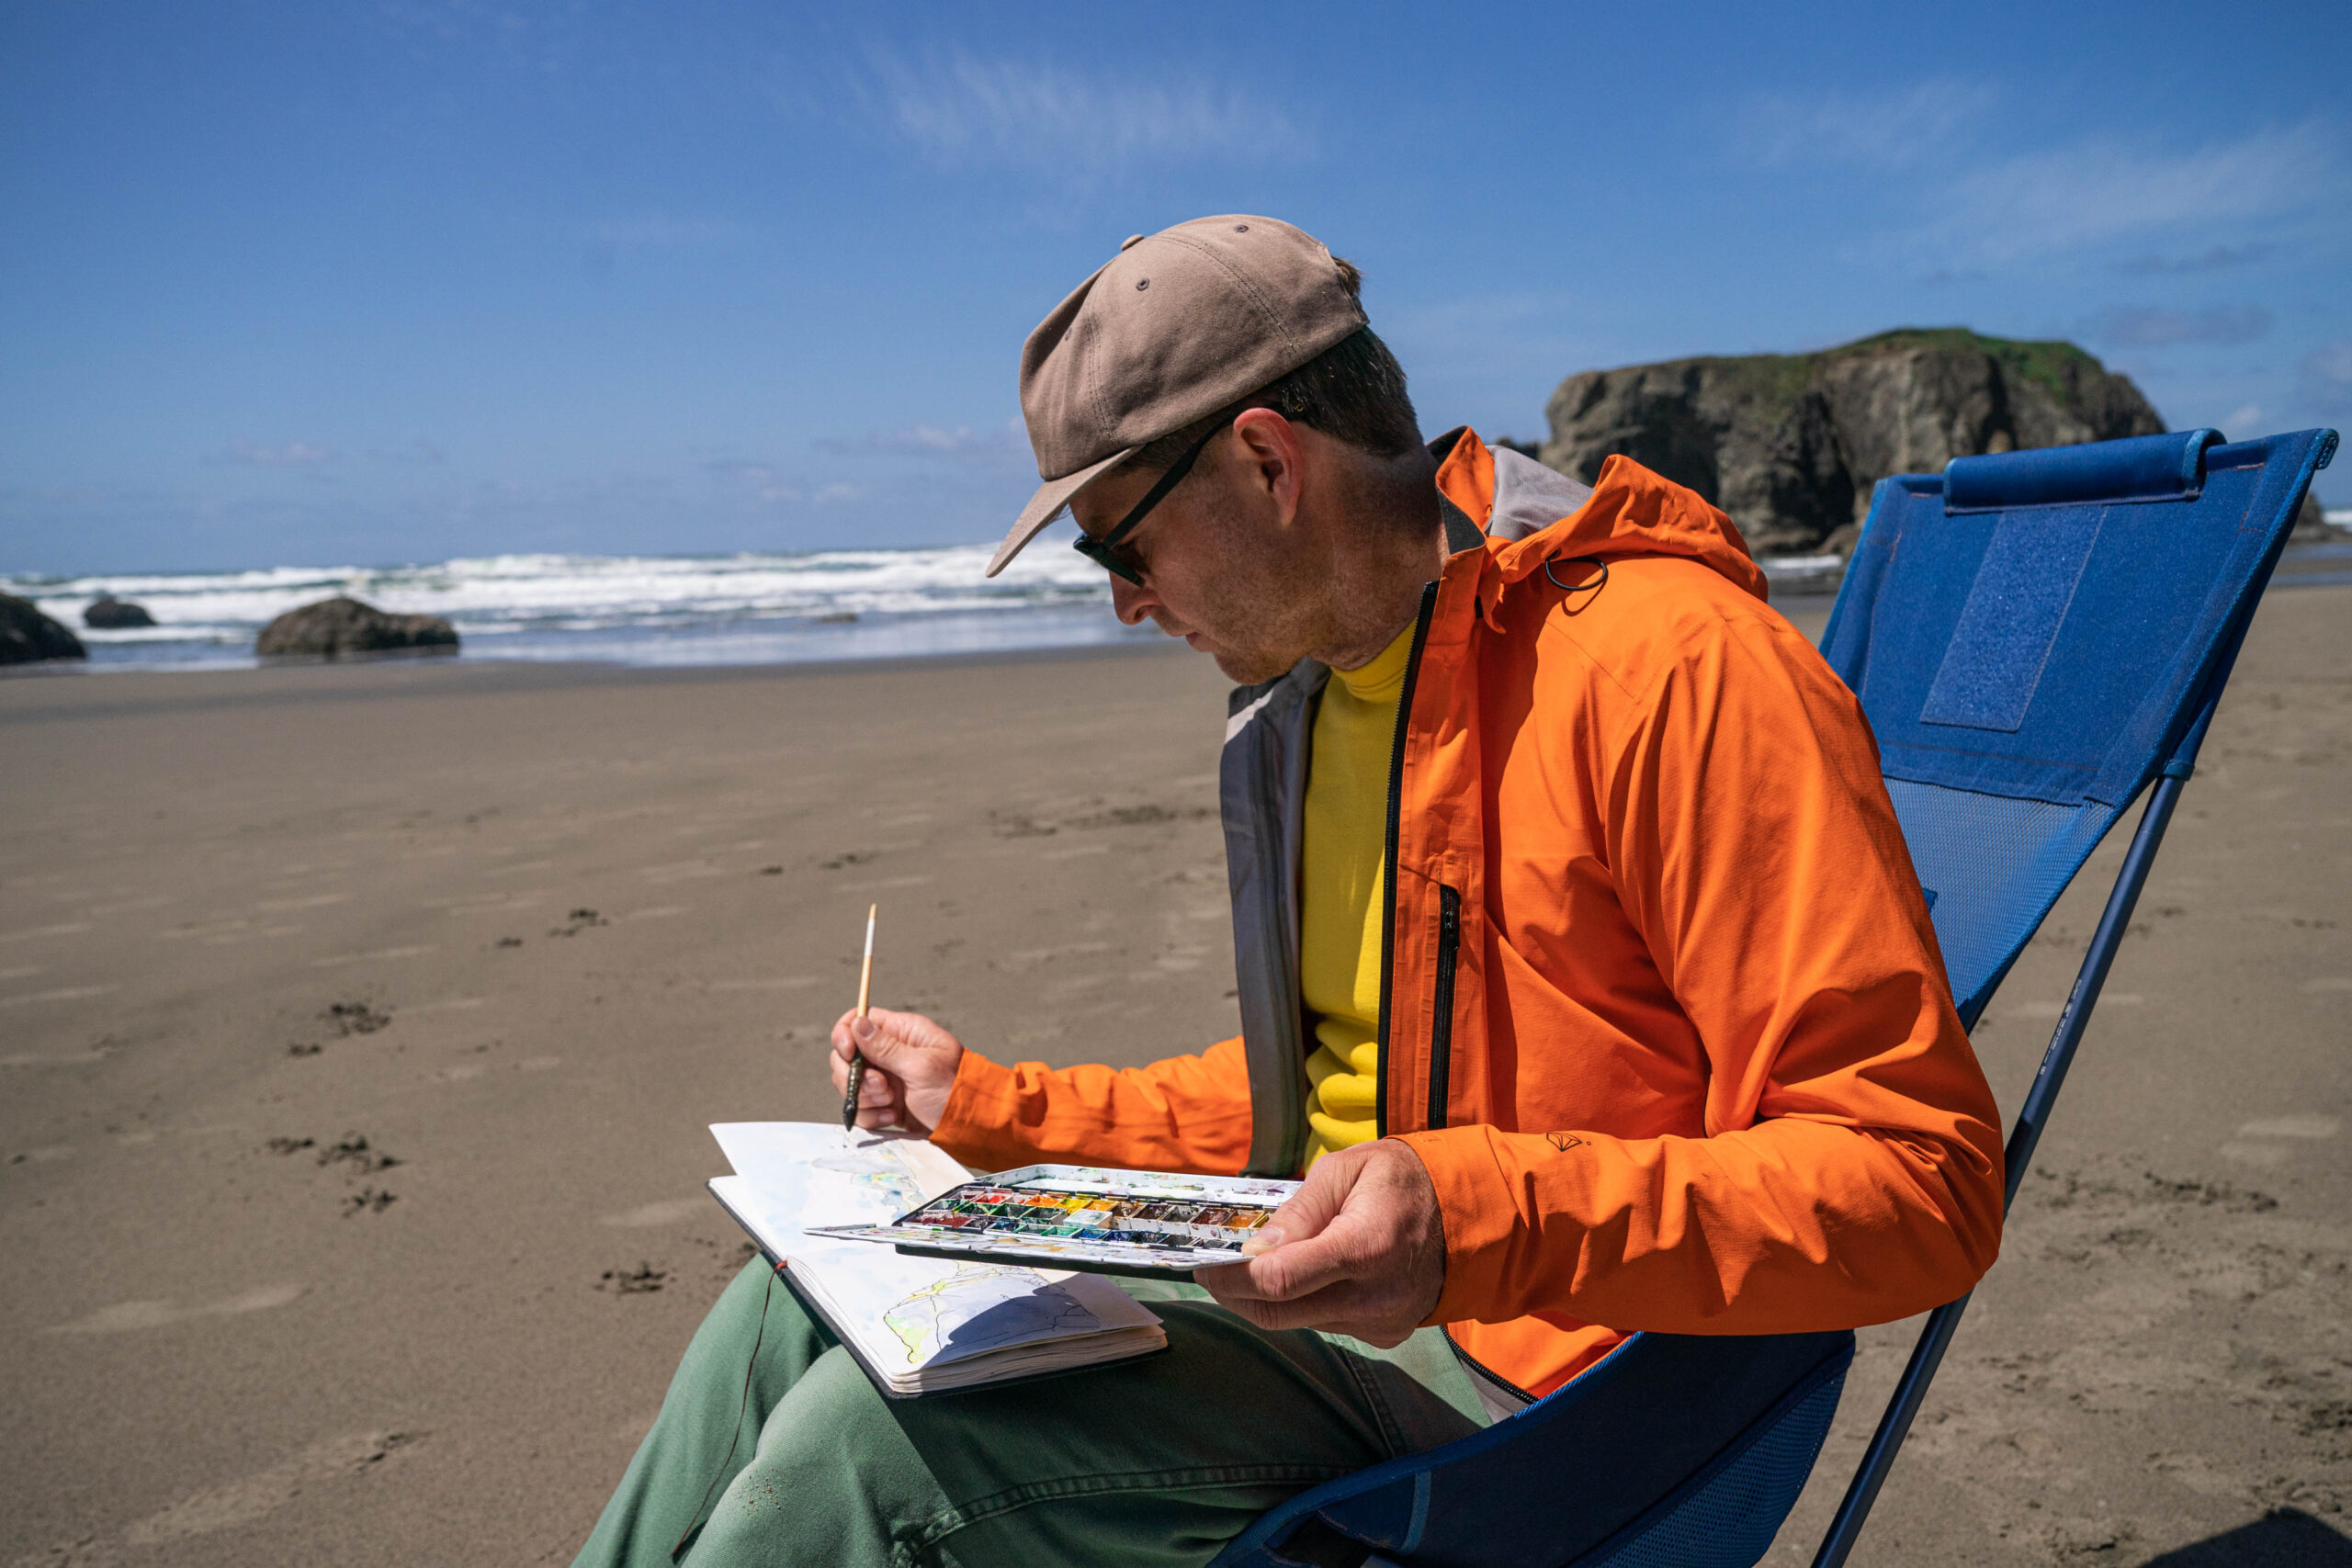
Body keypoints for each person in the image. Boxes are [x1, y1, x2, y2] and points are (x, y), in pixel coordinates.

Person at [571, 215, 2005, 1568]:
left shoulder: (1671, 670)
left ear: (1267, 463)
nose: (1125, 600)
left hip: (1560, 1388)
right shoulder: (1311, 705)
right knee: (787, 1306)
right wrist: (991, 1112)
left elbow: (1921, 1183)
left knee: (871, 1446)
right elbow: (1320, 1103)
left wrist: (1471, 1221)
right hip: (1339, 1306)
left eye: (1118, 546)